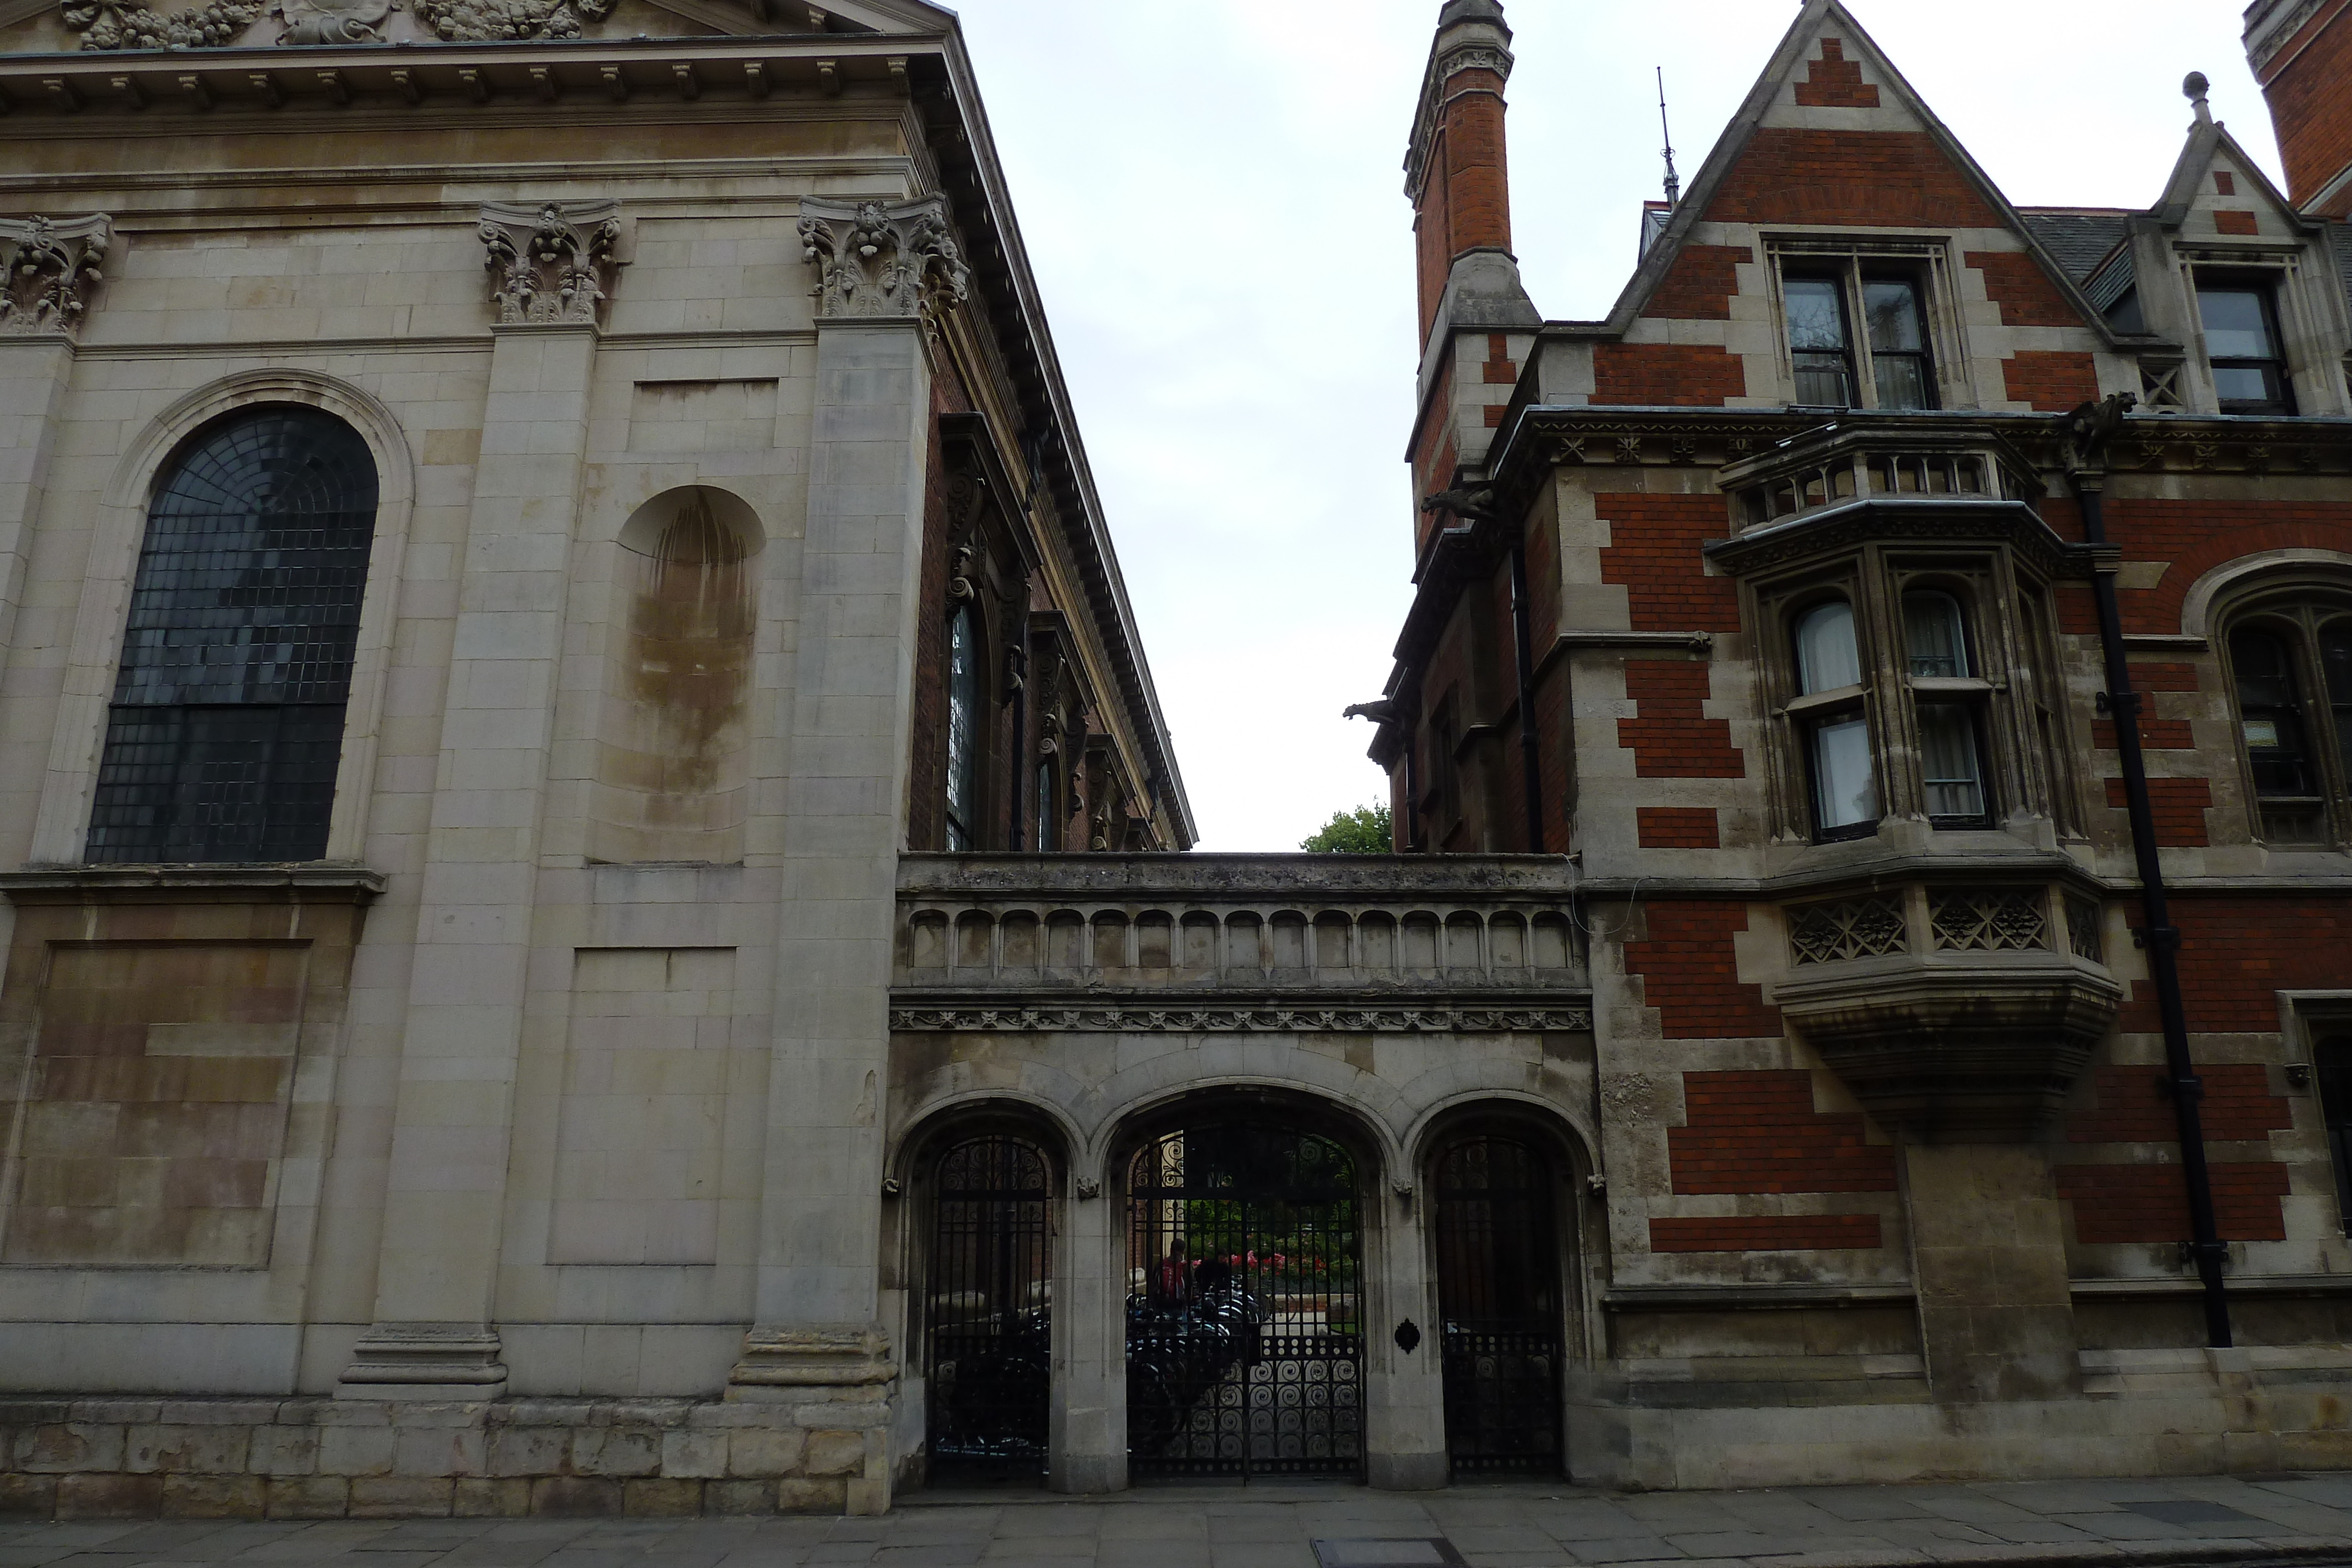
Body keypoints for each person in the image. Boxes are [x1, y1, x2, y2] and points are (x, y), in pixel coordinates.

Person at [1151, 1237, 1194, 1306]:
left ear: (1171, 1250)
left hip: (1161, 1304)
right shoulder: (1185, 1267)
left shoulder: (1161, 1264)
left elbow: (1153, 1283)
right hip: (1179, 1305)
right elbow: (1189, 1287)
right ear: (1183, 1252)